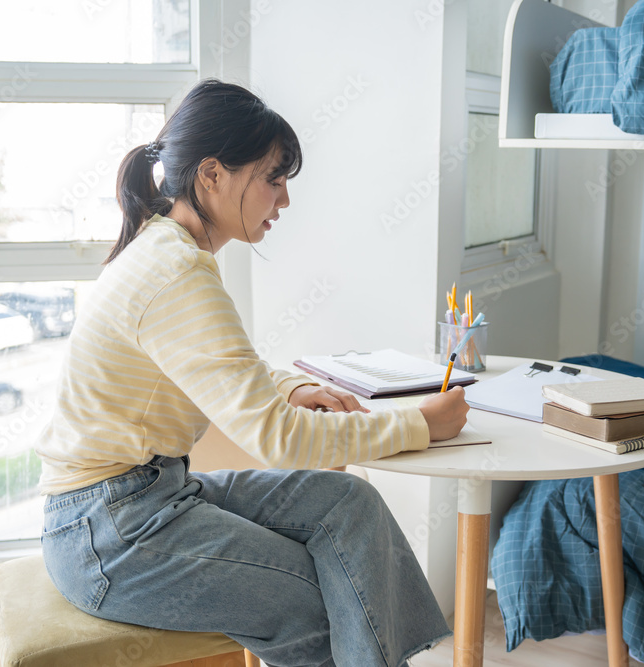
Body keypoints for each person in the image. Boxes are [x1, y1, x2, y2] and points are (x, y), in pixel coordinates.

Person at [36, 78, 470, 667]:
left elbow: (219, 364)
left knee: (350, 505)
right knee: (320, 600)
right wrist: (418, 424)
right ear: (212, 174)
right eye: (274, 178)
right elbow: (279, 439)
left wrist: (293, 385)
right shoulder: (176, 271)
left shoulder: (167, 249)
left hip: (143, 498)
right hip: (111, 535)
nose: (284, 200)